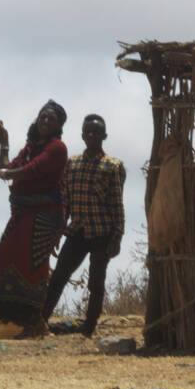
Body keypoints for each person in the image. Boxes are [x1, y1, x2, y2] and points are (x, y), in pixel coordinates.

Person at [0, 101, 69, 339]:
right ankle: (16, 320)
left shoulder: (57, 149)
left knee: (33, 266)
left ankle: (35, 323)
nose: (45, 121)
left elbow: (30, 171)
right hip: (22, 214)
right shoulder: (31, 147)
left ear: (58, 126)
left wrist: (2, 173)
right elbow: (9, 166)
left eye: (51, 119)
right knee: (4, 260)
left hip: (45, 215)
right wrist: (4, 143)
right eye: (42, 117)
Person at [43, 114, 126, 336]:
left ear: (104, 136)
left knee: (96, 282)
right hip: (77, 231)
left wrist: (117, 236)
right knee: (59, 276)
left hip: (102, 233)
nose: (92, 135)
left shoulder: (112, 166)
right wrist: (57, 232)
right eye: (88, 132)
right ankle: (40, 321)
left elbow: (117, 204)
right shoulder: (72, 164)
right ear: (82, 135)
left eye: (96, 132)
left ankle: (89, 328)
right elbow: (65, 202)